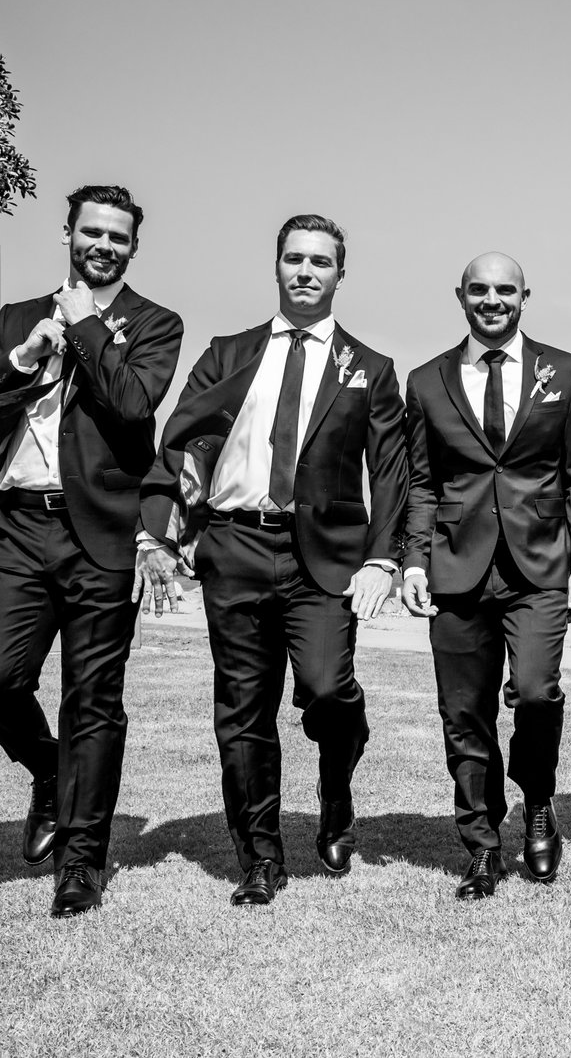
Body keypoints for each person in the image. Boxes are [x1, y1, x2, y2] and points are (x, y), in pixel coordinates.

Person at [138, 214, 405, 907]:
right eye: (294, 258)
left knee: (328, 689)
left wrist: (383, 560)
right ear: (277, 265)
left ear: (340, 273)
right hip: (235, 547)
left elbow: (392, 475)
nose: (306, 271)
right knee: (243, 710)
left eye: (320, 261)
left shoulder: (371, 368)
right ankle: (260, 856)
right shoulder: (227, 353)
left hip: (327, 558)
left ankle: (336, 787)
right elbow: (180, 441)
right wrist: (163, 528)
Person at [0, 185, 183, 917]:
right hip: (16, 526)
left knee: (94, 701)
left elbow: (133, 406)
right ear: (68, 233)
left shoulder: (156, 323)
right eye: (92, 232)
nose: (104, 245)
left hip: (100, 534)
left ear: (133, 247)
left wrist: (83, 327)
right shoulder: (14, 316)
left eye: (118, 237)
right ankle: (48, 769)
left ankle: (81, 860)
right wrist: (23, 359)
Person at [399, 252, 571, 899]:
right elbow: (421, 482)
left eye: (505, 290)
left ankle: (537, 798)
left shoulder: (565, 371)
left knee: (536, 692)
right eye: (480, 290)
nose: (492, 300)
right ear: (460, 295)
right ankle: (482, 845)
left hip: (540, 565)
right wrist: (412, 559)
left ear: (524, 296)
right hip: (455, 565)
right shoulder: (425, 381)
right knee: (465, 713)